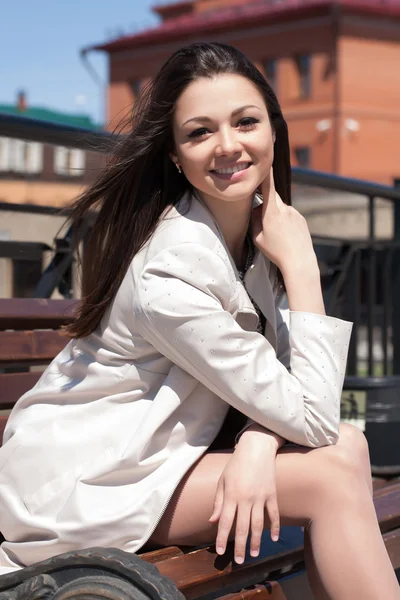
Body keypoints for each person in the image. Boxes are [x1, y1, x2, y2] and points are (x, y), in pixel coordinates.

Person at [0, 42, 398, 599]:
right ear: (174, 153)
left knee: (350, 448)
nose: (228, 146)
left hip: (155, 456)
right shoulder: (170, 271)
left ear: (273, 132)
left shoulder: (252, 239)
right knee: (331, 477)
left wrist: (258, 445)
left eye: (245, 121)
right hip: (88, 480)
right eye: (199, 132)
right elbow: (310, 416)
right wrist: (304, 267)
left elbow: (291, 388)